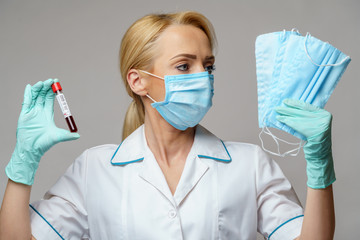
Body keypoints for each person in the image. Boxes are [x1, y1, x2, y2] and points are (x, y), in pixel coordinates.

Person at [0, 11, 335, 240]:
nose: (202, 77)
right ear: (138, 81)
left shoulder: (250, 164)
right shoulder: (94, 169)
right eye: (183, 66)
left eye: (208, 66)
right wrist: (23, 164)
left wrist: (319, 164)